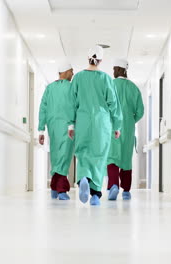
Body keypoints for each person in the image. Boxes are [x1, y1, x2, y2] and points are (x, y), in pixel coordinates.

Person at [68, 46, 123, 206]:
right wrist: (117, 126)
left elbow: (71, 103)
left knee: (83, 154)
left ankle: (83, 178)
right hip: (102, 124)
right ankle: (95, 195)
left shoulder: (77, 78)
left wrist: (71, 125)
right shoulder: (106, 78)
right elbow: (114, 103)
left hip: (83, 122)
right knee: (99, 158)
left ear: (87, 58)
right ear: (101, 61)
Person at [107, 58, 144, 201]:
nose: (113, 72)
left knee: (112, 158)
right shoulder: (133, 88)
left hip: (112, 127)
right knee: (126, 159)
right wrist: (129, 120)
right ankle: (126, 191)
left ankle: (113, 185)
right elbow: (140, 111)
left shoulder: (109, 85)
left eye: (114, 69)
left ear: (119, 69)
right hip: (127, 128)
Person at [38, 61, 75, 200]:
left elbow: (43, 108)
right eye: (71, 71)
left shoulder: (49, 88)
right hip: (67, 126)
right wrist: (72, 124)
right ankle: (61, 190)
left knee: (56, 155)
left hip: (52, 126)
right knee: (64, 156)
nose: (73, 73)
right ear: (65, 72)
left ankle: (54, 187)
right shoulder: (71, 88)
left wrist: (41, 130)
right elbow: (73, 106)